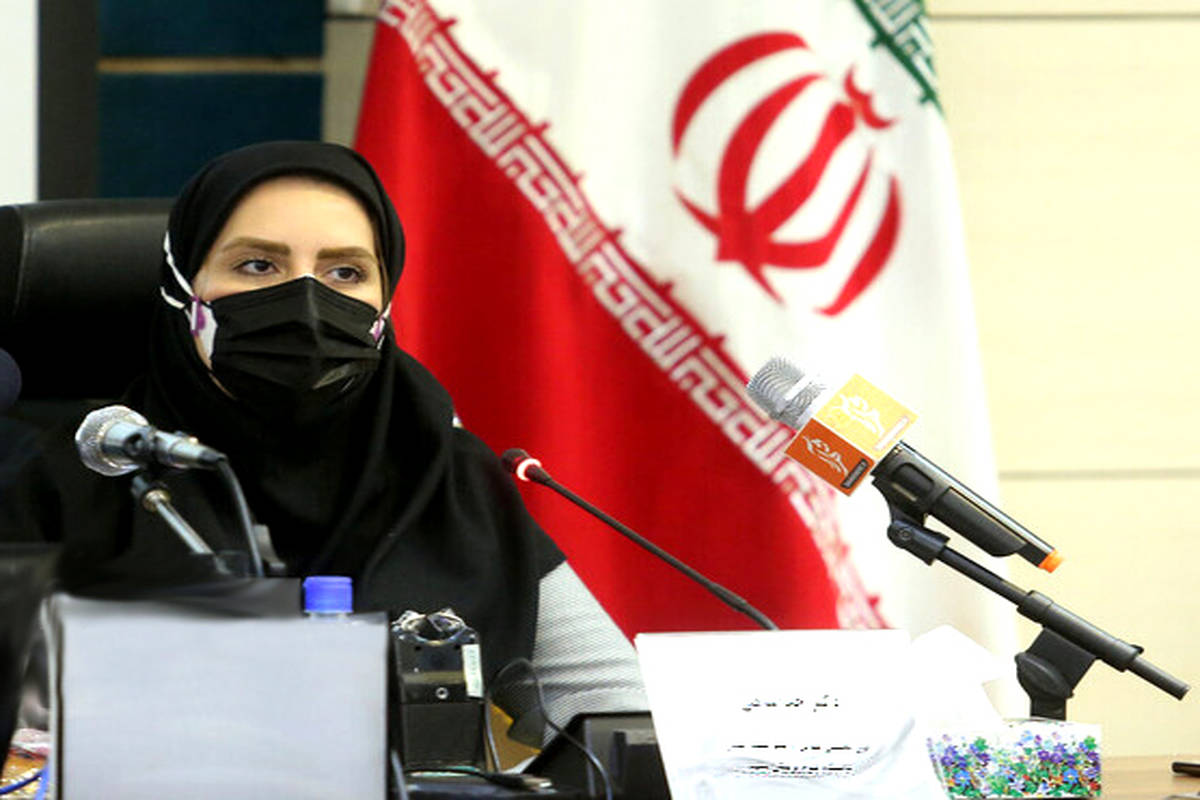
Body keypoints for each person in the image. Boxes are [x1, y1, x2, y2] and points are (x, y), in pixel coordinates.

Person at [0, 141, 645, 744]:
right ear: (183, 287)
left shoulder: (442, 472)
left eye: (345, 271)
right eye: (258, 265)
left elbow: (618, 712)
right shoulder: (70, 476)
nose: (306, 300)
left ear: (384, 303)